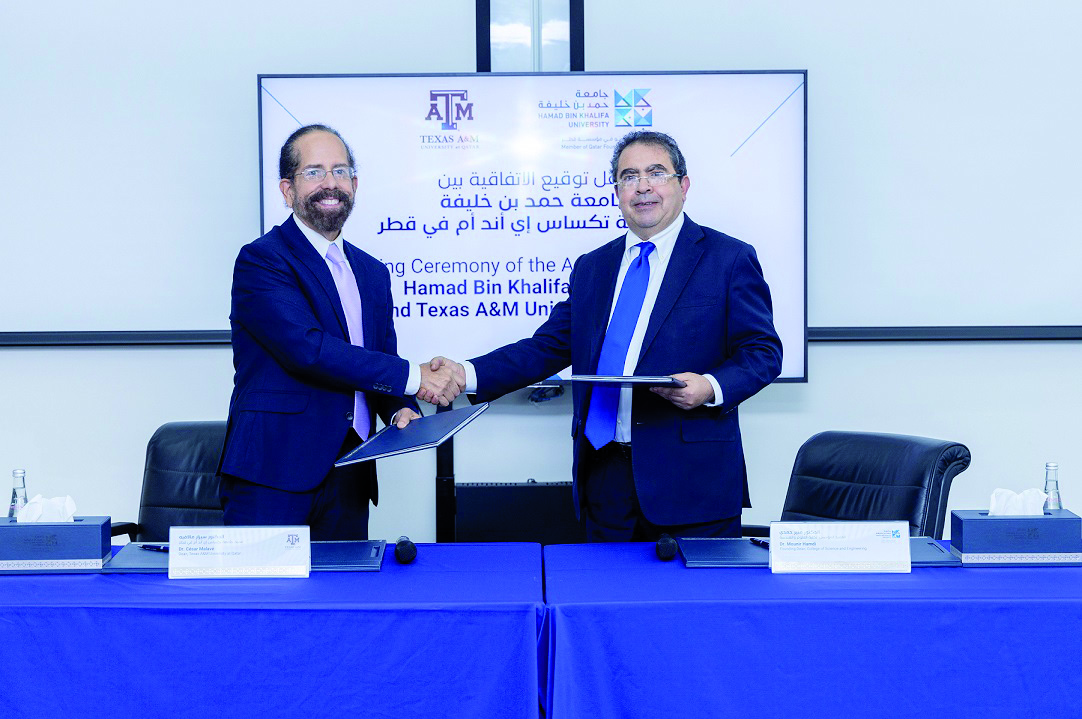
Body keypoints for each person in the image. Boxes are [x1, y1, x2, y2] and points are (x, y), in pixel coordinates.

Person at [437, 130, 782, 541]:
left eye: (656, 173)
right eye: (629, 176)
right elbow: (547, 347)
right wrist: (464, 374)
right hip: (603, 480)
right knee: (601, 586)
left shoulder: (728, 258)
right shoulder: (593, 267)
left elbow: (763, 351)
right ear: (617, 192)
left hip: (691, 484)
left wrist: (710, 386)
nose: (643, 186)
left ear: (683, 185)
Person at [218, 124, 462, 540]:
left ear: (355, 184)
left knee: (345, 584)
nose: (330, 183)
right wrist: (417, 376)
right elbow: (308, 350)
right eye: (314, 172)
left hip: (351, 471)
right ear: (287, 190)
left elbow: (379, 356)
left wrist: (399, 407)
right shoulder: (262, 260)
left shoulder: (372, 272)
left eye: (340, 171)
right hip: (273, 472)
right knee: (264, 586)